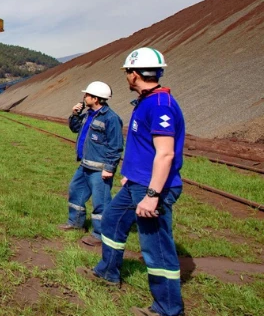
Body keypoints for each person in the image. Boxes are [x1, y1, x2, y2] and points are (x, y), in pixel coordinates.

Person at [91, 47, 185, 316]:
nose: (126, 77)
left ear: (134, 74)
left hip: (151, 188)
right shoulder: (148, 102)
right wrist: (130, 175)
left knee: (156, 248)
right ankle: (108, 272)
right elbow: (146, 148)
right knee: (111, 221)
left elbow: (165, 153)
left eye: (126, 73)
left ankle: (168, 309)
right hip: (136, 183)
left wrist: (153, 194)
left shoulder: (159, 106)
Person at [59, 81, 124, 246]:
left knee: (100, 202)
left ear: (96, 98)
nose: (84, 97)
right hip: (85, 165)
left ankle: (100, 235)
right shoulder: (88, 115)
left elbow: (116, 146)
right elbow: (75, 129)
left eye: (87, 95)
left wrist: (109, 168)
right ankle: (75, 223)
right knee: (75, 191)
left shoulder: (111, 118)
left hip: (100, 168)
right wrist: (74, 115)